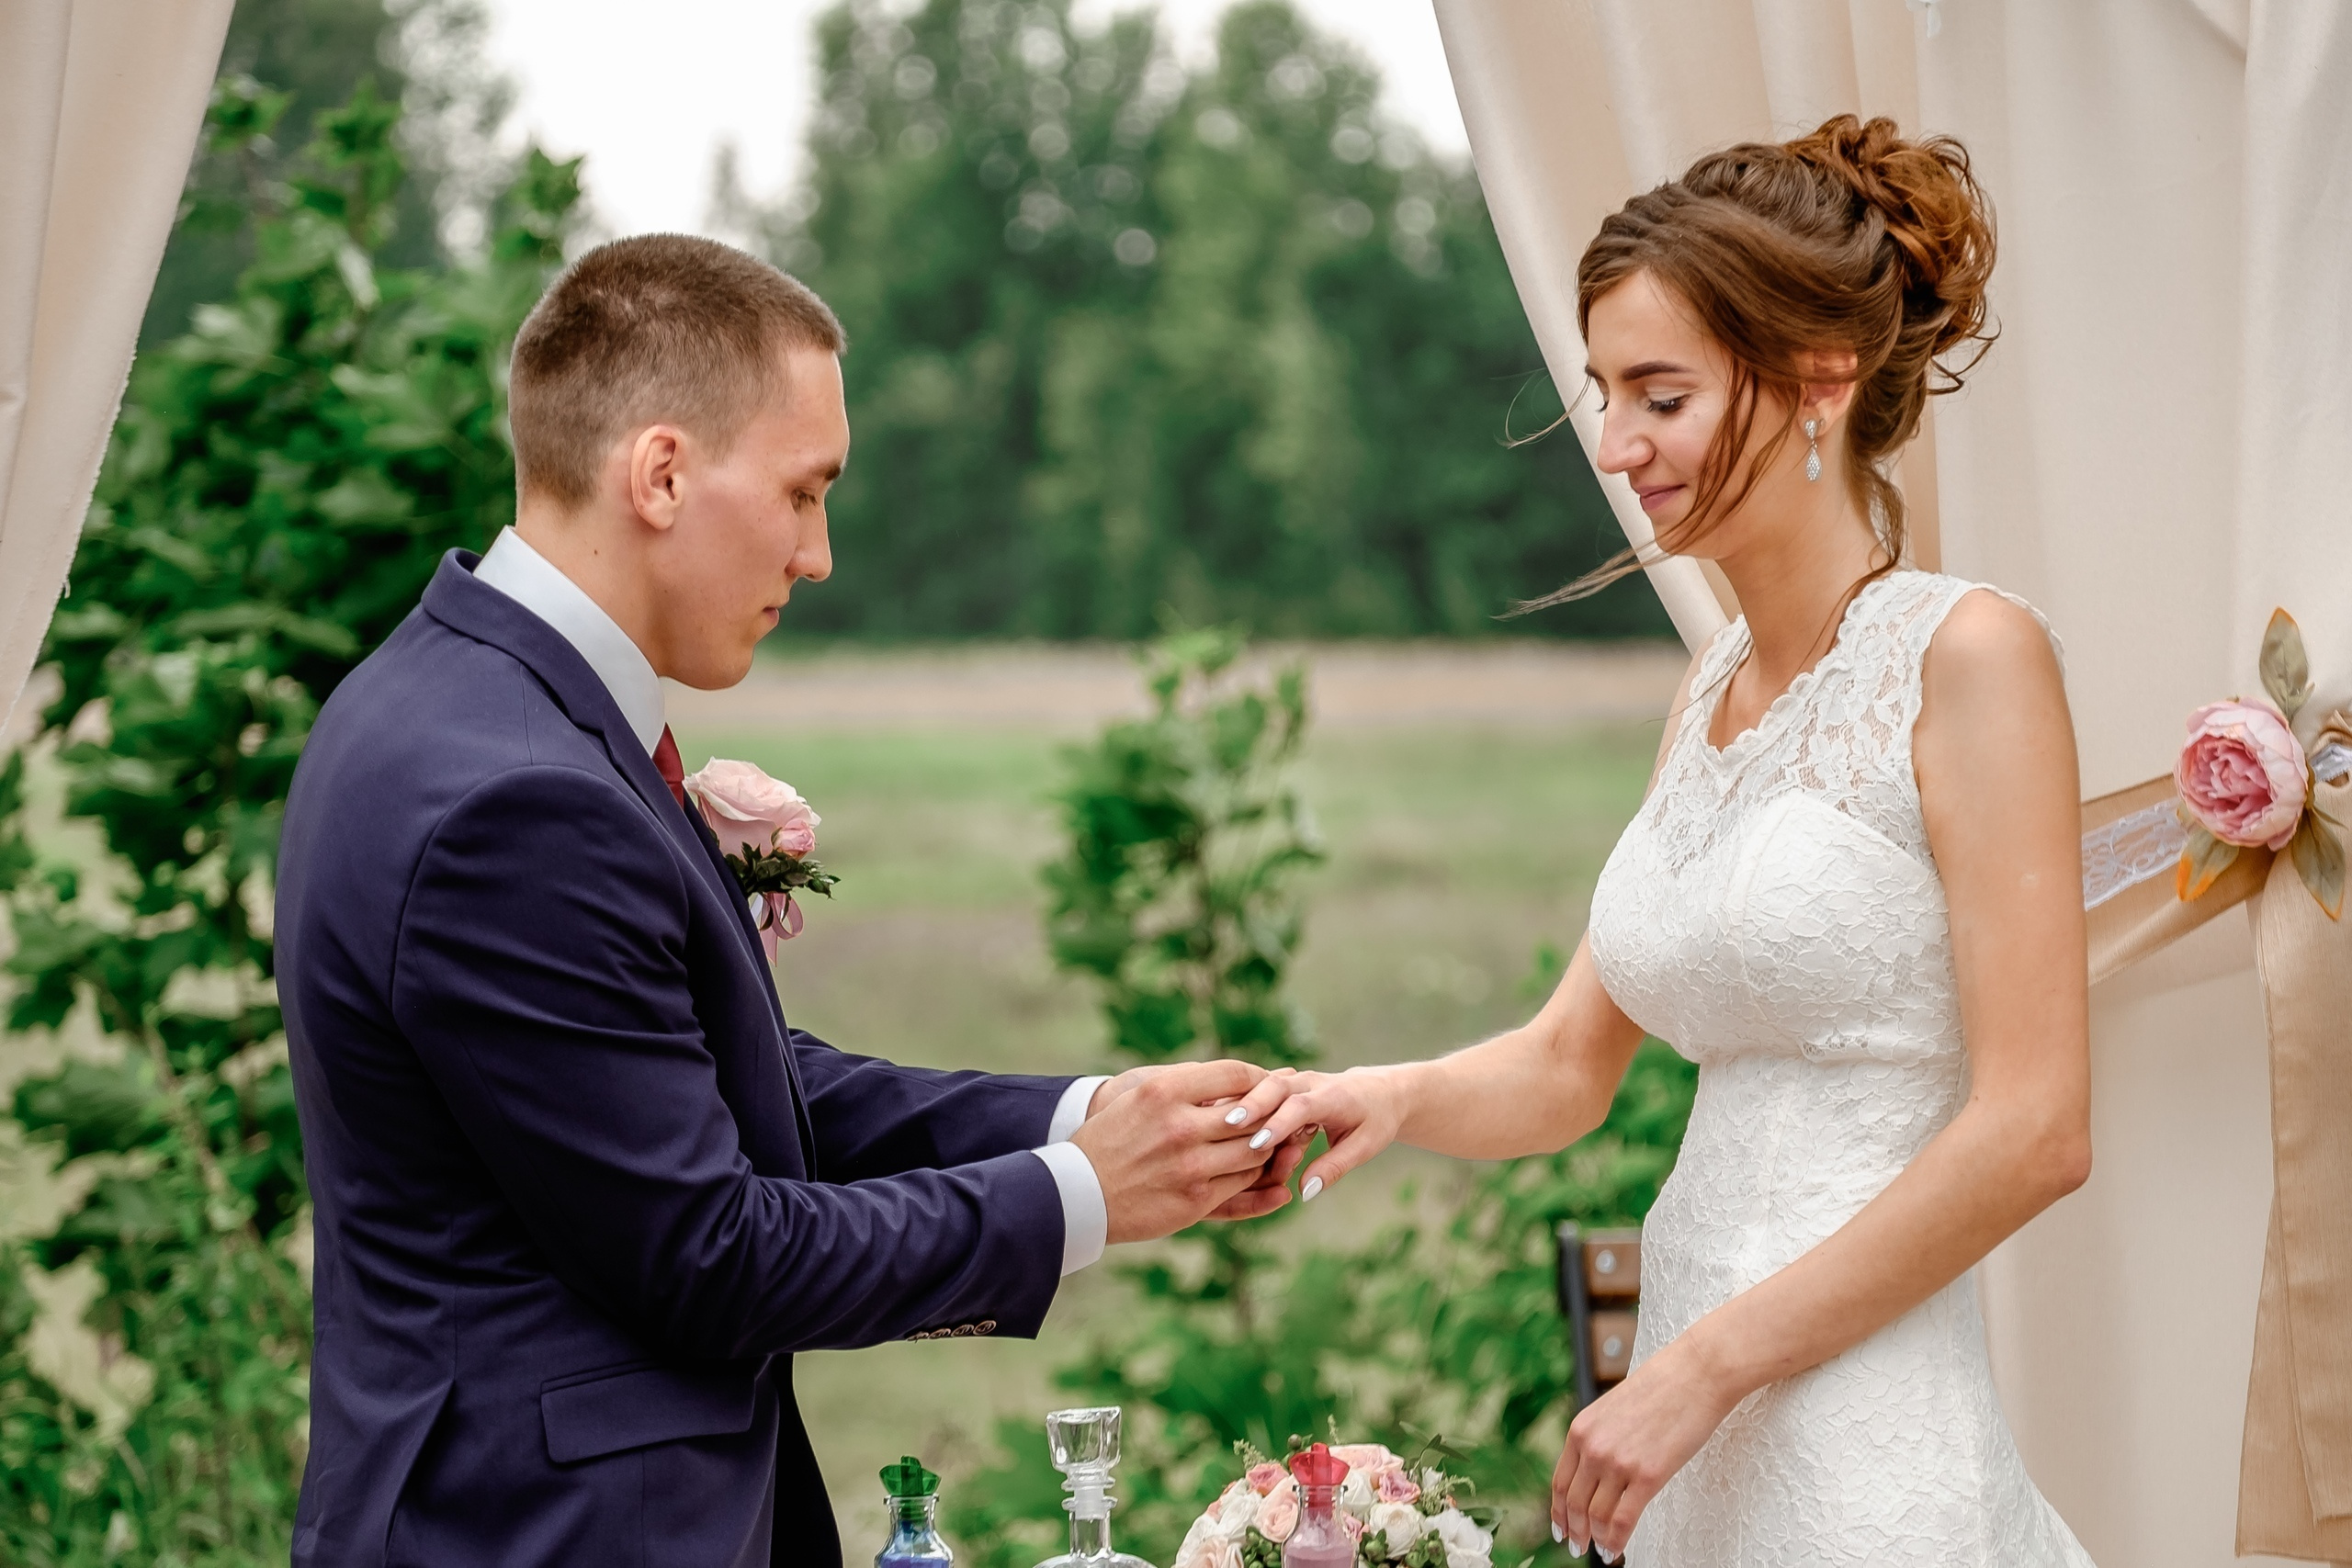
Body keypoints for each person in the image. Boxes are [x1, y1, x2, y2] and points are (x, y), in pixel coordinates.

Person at [276, 234, 1303, 1568]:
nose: (819, 554)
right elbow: (707, 1253)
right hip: (550, 1534)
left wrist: (1084, 1115)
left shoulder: (443, 699)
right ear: (659, 473)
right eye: (804, 492)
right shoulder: (514, 802)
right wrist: (1079, 1194)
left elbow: (706, 1088)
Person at [1228, 117, 2098, 1564]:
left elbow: (2033, 1129)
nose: (1616, 446)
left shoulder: (1972, 657)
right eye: (1605, 393)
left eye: (1661, 395)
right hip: (1693, 1425)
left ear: (1819, 379)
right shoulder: (1710, 689)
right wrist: (1381, 1092)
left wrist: (1698, 1368)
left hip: (1857, 1425)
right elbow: (1571, 1062)